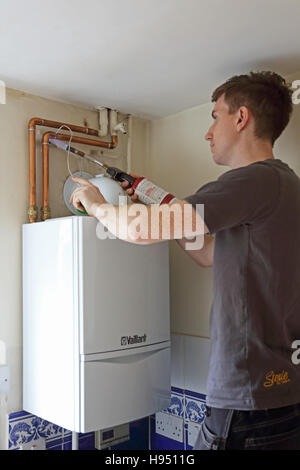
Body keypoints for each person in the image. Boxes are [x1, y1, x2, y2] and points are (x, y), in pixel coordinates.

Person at [70, 71, 300, 450]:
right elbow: (208, 254)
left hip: (247, 405)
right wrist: (160, 198)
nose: (208, 133)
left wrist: (94, 203)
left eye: (214, 116)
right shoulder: (283, 187)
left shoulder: (254, 181)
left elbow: (141, 231)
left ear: (241, 118)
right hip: (277, 399)